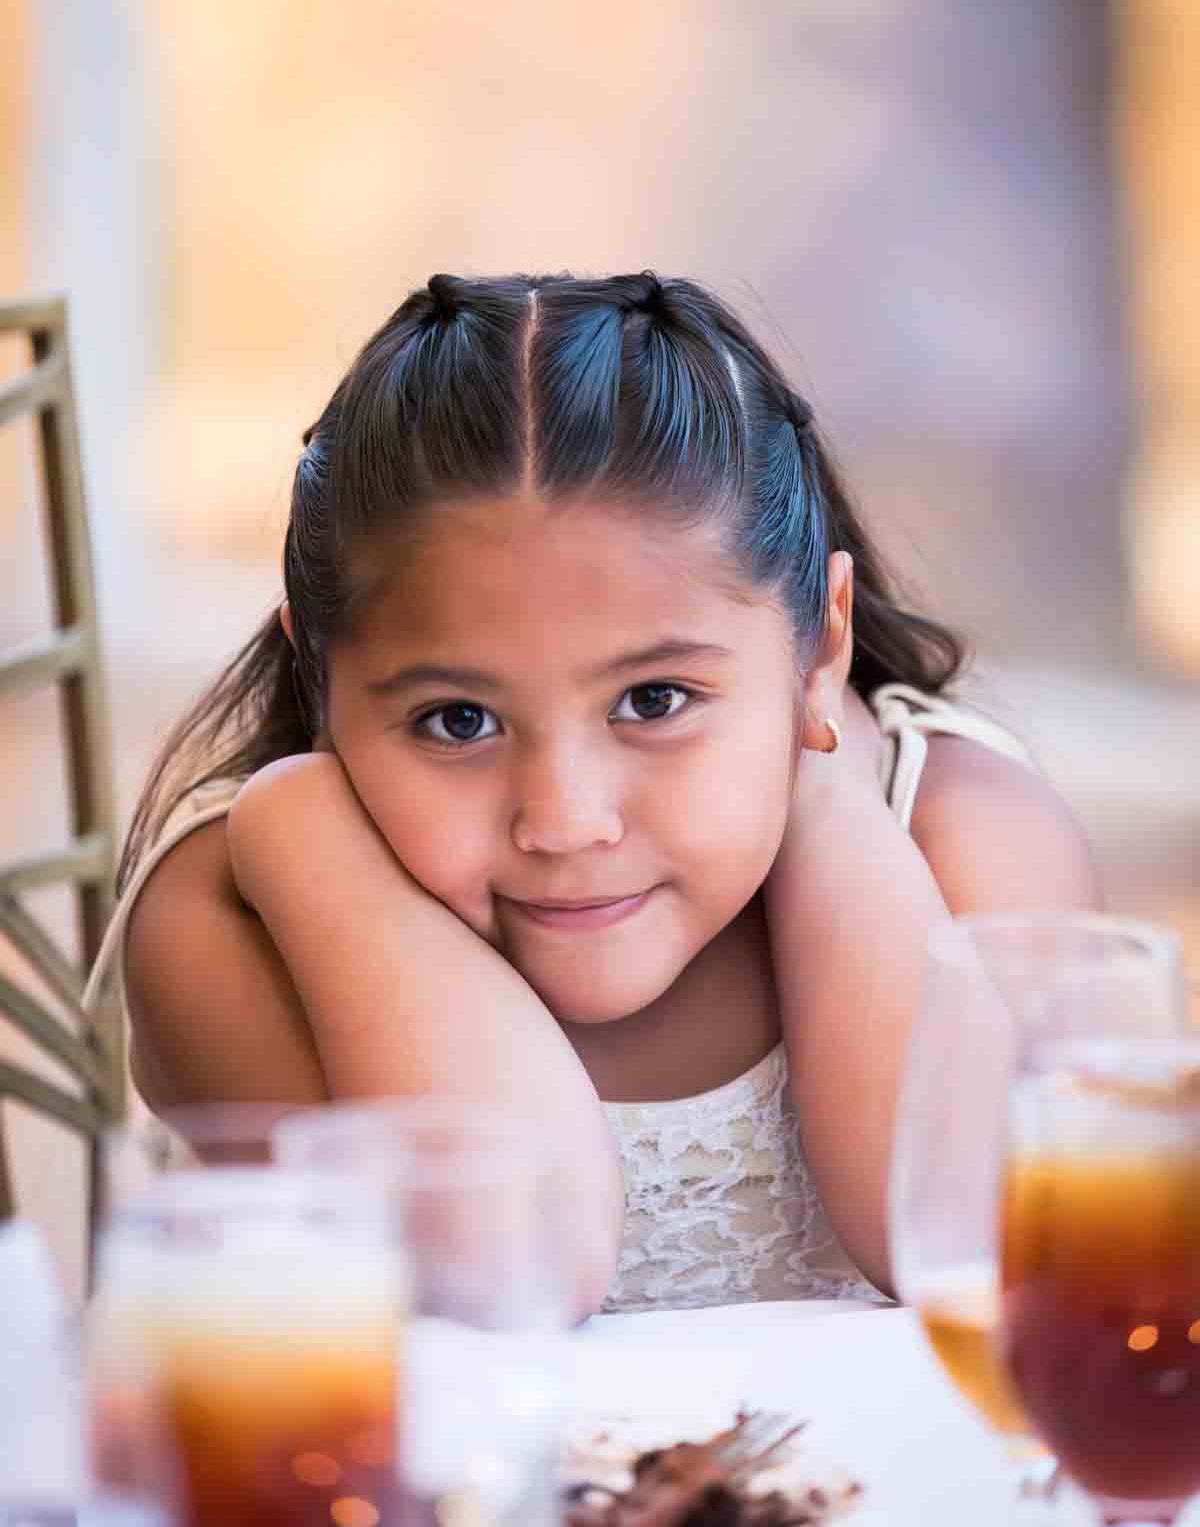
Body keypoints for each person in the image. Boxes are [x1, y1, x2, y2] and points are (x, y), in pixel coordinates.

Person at [87, 272, 1102, 1317]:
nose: (566, 821)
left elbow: (995, 1261)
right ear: (322, 682)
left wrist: (826, 803)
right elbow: (506, 1271)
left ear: (821, 638)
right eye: (457, 721)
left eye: (655, 700)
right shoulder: (225, 920)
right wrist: (299, 823)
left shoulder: (964, 836)